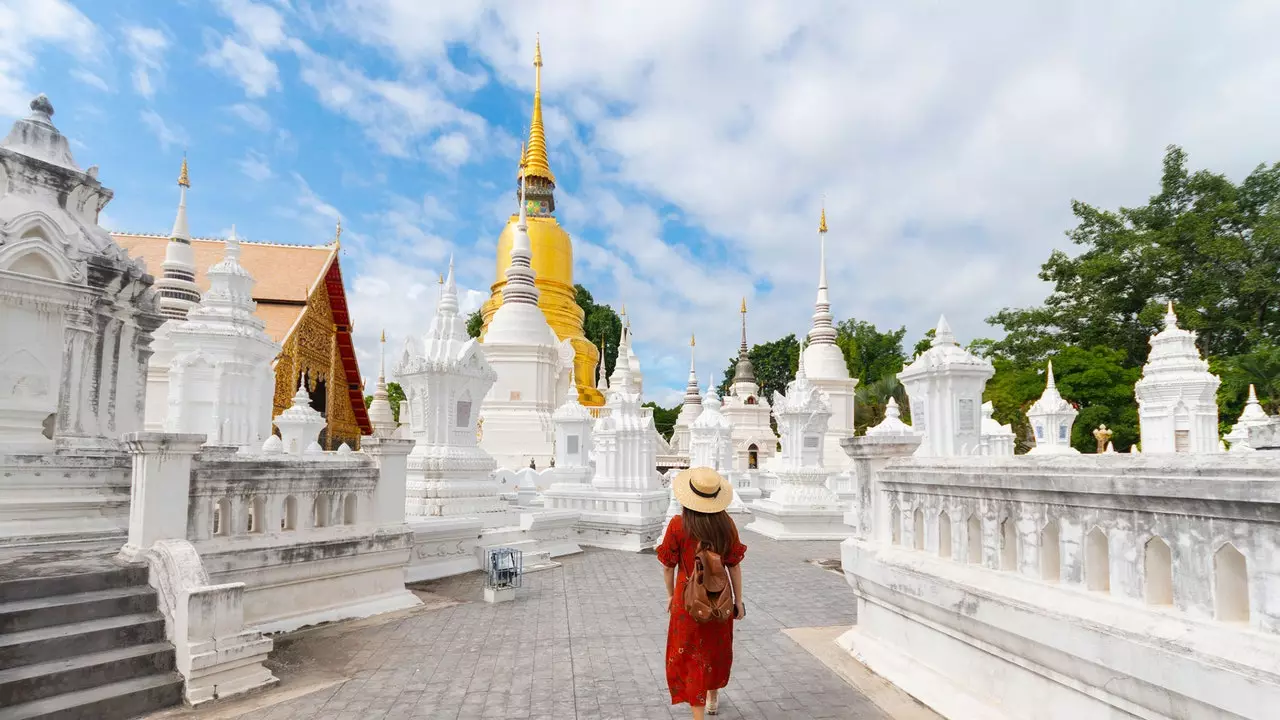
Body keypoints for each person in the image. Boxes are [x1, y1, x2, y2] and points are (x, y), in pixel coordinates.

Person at [657, 467, 747, 718]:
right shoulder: (726, 525)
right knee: (714, 651)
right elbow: (734, 565)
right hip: (719, 599)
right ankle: (713, 696)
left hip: (687, 601)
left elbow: (667, 566)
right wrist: (738, 601)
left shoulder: (677, 525)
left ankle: (698, 715)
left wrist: (670, 595)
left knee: (690, 658)